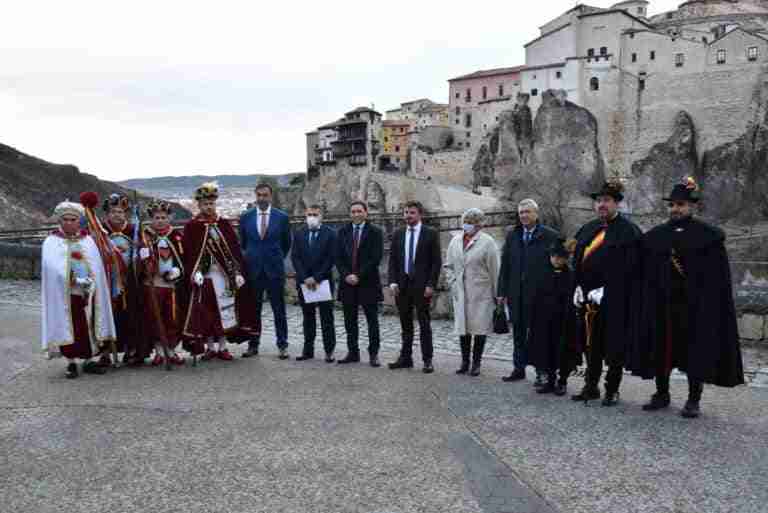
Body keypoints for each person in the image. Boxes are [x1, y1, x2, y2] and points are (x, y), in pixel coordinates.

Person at [629, 177, 744, 418]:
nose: (676, 209)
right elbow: (645, 272)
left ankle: (693, 400)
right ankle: (662, 394)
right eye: (672, 205)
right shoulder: (655, 237)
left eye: (680, 205)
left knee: (695, 353)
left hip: (695, 306)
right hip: (663, 306)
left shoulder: (708, 237)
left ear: (691, 206)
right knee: (661, 351)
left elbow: (717, 278)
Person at [571, 180, 642, 406]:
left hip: (616, 301)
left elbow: (634, 269)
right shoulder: (588, 229)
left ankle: (612, 390)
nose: (602, 204)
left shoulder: (629, 231)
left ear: (617, 204)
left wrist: (609, 290)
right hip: (588, 301)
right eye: (599, 201)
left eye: (607, 201)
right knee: (591, 346)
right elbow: (577, 259)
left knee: (614, 347)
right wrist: (577, 286)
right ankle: (590, 387)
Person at [181, 182, 259, 361]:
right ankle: (209, 347)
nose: (209, 207)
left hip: (224, 277)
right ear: (199, 205)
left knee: (225, 310)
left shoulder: (223, 224)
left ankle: (223, 346)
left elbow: (234, 251)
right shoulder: (192, 227)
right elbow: (189, 253)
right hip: (205, 277)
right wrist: (195, 272)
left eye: (211, 204)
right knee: (207, 311)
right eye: (205, 204)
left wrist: (238, 273)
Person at [41, 200, 116, 378]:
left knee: (89, 326)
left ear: (78, 221)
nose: (68, 223)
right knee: (71, 326)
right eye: (65, 219)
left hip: (89, 293)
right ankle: (71, 362)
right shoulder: (52, 242)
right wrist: (72, 279)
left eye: (72, 219)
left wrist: (91, 281)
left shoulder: (88, 241)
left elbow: (96, 266)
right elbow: (52, 268)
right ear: (60, 221)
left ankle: (89, 359)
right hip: (66, 295)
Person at [497, 199, 559, 384]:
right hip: (516, 293)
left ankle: (542, 371)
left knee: (539, 334)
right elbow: (505, 265)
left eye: (527, 212)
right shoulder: (513, 235)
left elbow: (559, 267)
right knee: (518, 333)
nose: (524, 215)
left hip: (540, 295)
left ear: (536, 214)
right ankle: (518, 368)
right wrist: (502, 291)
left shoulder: (550, 236)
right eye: (521, 212)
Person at [444, 208, 501, 377]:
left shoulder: (488, 242)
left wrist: (498, 295)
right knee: (464, 328)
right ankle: (464, 361)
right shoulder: (455, 241)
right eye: (466, 222)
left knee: (480, 328)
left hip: (481, 292)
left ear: (479, 225)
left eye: (471, 222)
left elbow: (495, 270)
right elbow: (448, 266)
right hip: (461, 291)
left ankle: (476, 362)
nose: (467, 225)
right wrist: (452, 282)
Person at [388, 201, 442, 374]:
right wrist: (392, 281)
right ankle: (406, 358)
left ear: (420, 214)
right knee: (405, 324)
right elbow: (393, 260)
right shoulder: (398, 233)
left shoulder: (430, 233)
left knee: (424, 323)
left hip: (421, 286)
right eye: (405, 212)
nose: (408, 216)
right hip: (402, 285)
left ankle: (427, 360)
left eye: (411, 212)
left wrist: (431, 284)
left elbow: (436, 262)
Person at [239, 183, 293, 359]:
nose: (261, 198)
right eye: (259, 195)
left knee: (279, 310)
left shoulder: (282, 217)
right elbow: (244, 244)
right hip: (253, 270)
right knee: (253, 310)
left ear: (270, 196)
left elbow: (286, 244)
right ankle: (253, 345)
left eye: (265, 195)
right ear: (255, 196)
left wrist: (274, 258)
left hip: (274, 270)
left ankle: (282, 345)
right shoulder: (246, 217)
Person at [138, 200, 186, 367]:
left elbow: (183, 258)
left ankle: (172, 350)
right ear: (152, 218)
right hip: (152, 285)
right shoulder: (145, 235)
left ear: (169, 218)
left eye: (163, 217)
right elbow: (137, 263)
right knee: (154, 318)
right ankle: (159, 351)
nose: (160, 220)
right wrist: (142, 256)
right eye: (156, 217)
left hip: (171, 286)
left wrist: (178, 271)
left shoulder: (176, 235)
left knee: (172, 318)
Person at [336, 201, 384, 367]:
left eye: (359, 211)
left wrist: (358, 275)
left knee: (372, 320)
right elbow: (338, 257)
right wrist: (346, 275)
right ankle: (353, 352)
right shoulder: (342, 232)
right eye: (353, 211)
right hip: (347, 283)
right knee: (350, 320)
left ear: (366, 212)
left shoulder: (375, 232)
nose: (356, 214)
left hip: (368, 282)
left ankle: (373, 354)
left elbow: (375, 258)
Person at [100, 193, 146, 367]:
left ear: (125, 213)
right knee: (108, 315)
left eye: (120, 211)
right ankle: (105, 351)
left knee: (130, 315)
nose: (117, 215)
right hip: (108, 279)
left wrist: (142, 255)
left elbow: (142, 249)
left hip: (130, 279)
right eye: (113, 211)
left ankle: (130, 349)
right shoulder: (101, 231)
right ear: (107, 214)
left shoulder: (133, 229)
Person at [527, 239, 575, 394]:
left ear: (566, 258)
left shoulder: (571, 276)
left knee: (563, 351)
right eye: (553, 256)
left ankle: (562, 381)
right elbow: (535, 296)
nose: (556, 260)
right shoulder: (542, 273)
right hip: (544, 319)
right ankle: (549, 379)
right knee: (546, 350)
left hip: (563, 321)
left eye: (560, 257)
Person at [290, 204, 337, 362]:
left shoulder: (330, 234)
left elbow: (331, 259)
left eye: (315, 214)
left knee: (326, 318)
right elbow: (295, 257)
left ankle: (329, 350)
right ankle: (307, 349)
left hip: (323, 281)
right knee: (307, 317)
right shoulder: (299, 233)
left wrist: (316, 277)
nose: (312, 217)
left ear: (321, 216)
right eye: (309, 214)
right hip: (304, 282)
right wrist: (304, 277)